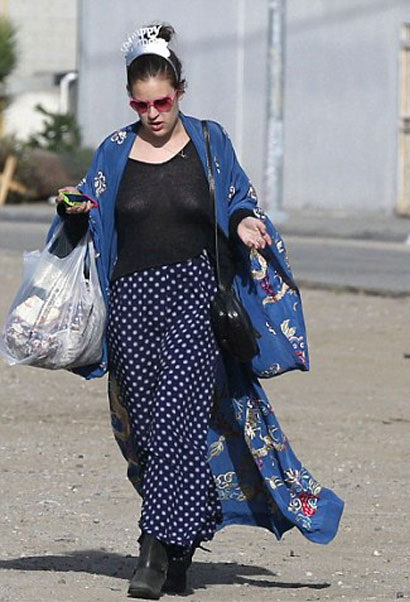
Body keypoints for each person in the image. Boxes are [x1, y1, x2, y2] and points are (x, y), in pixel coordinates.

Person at [56, 23, 343, 599]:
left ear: (179, 93)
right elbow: (87, 211)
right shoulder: (114, 150)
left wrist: (245, 221)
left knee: (178, 420)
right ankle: (184, 540)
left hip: (194, 296)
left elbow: (236, 196)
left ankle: (152, 551)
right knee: (146, 431)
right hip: (131, 303)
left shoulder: (211, 142)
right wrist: (71, 209)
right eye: (141, 105)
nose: (152, 114)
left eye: (162, 103)